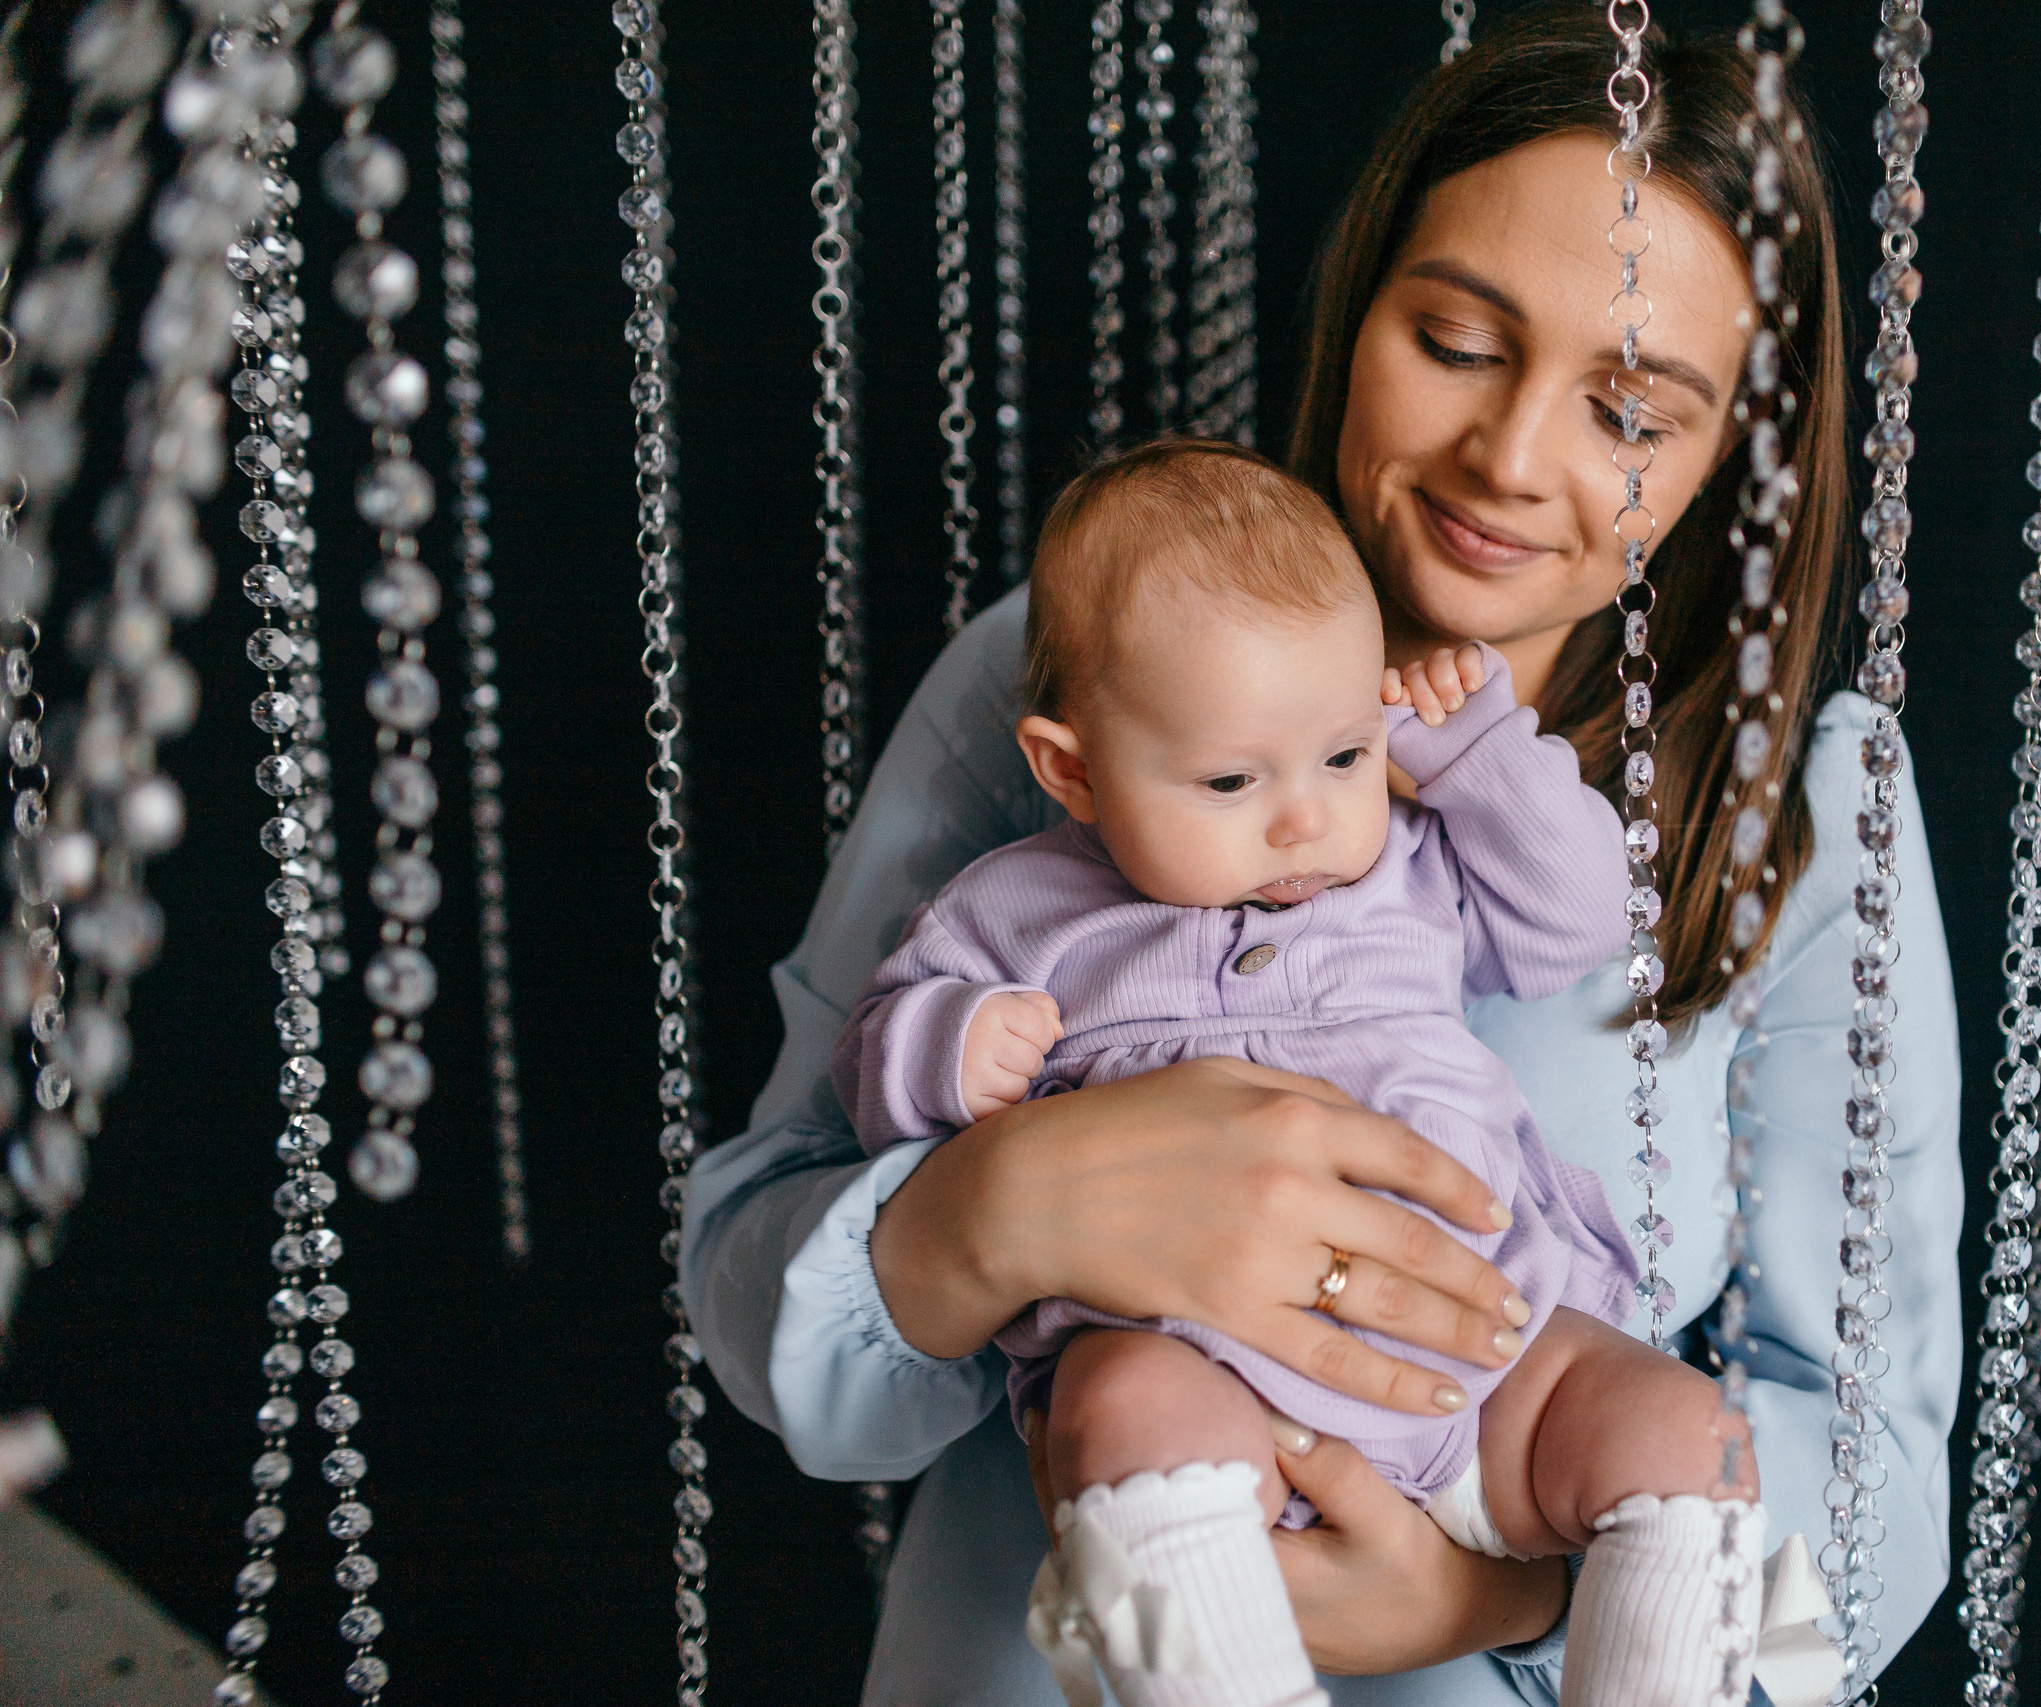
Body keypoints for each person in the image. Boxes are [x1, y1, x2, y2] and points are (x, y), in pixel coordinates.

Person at [682, 7, 1963, 1702]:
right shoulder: (1067, 672)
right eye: (1455, 339)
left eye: (1633, 410)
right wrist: (995, 1208)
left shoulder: (1799, 797)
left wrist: (1494, 1602)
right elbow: (758, 1302)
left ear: (1739, 456)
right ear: (1360, 305)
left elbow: (1873, 1462)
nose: (1510, 460)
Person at [843, 439, 1764, 1707]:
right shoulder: (1019, 909)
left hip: (1488, 1354)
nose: (1305, 819)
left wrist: (1476, 756)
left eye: (1340, 755)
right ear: (1071, 769)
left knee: (1691, 1434)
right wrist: (950, 1044)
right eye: (1230, 779)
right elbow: (875, 1065)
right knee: (1113, 1407)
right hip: (1200, 1372)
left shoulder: (1407, 861)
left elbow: (1579, 919)